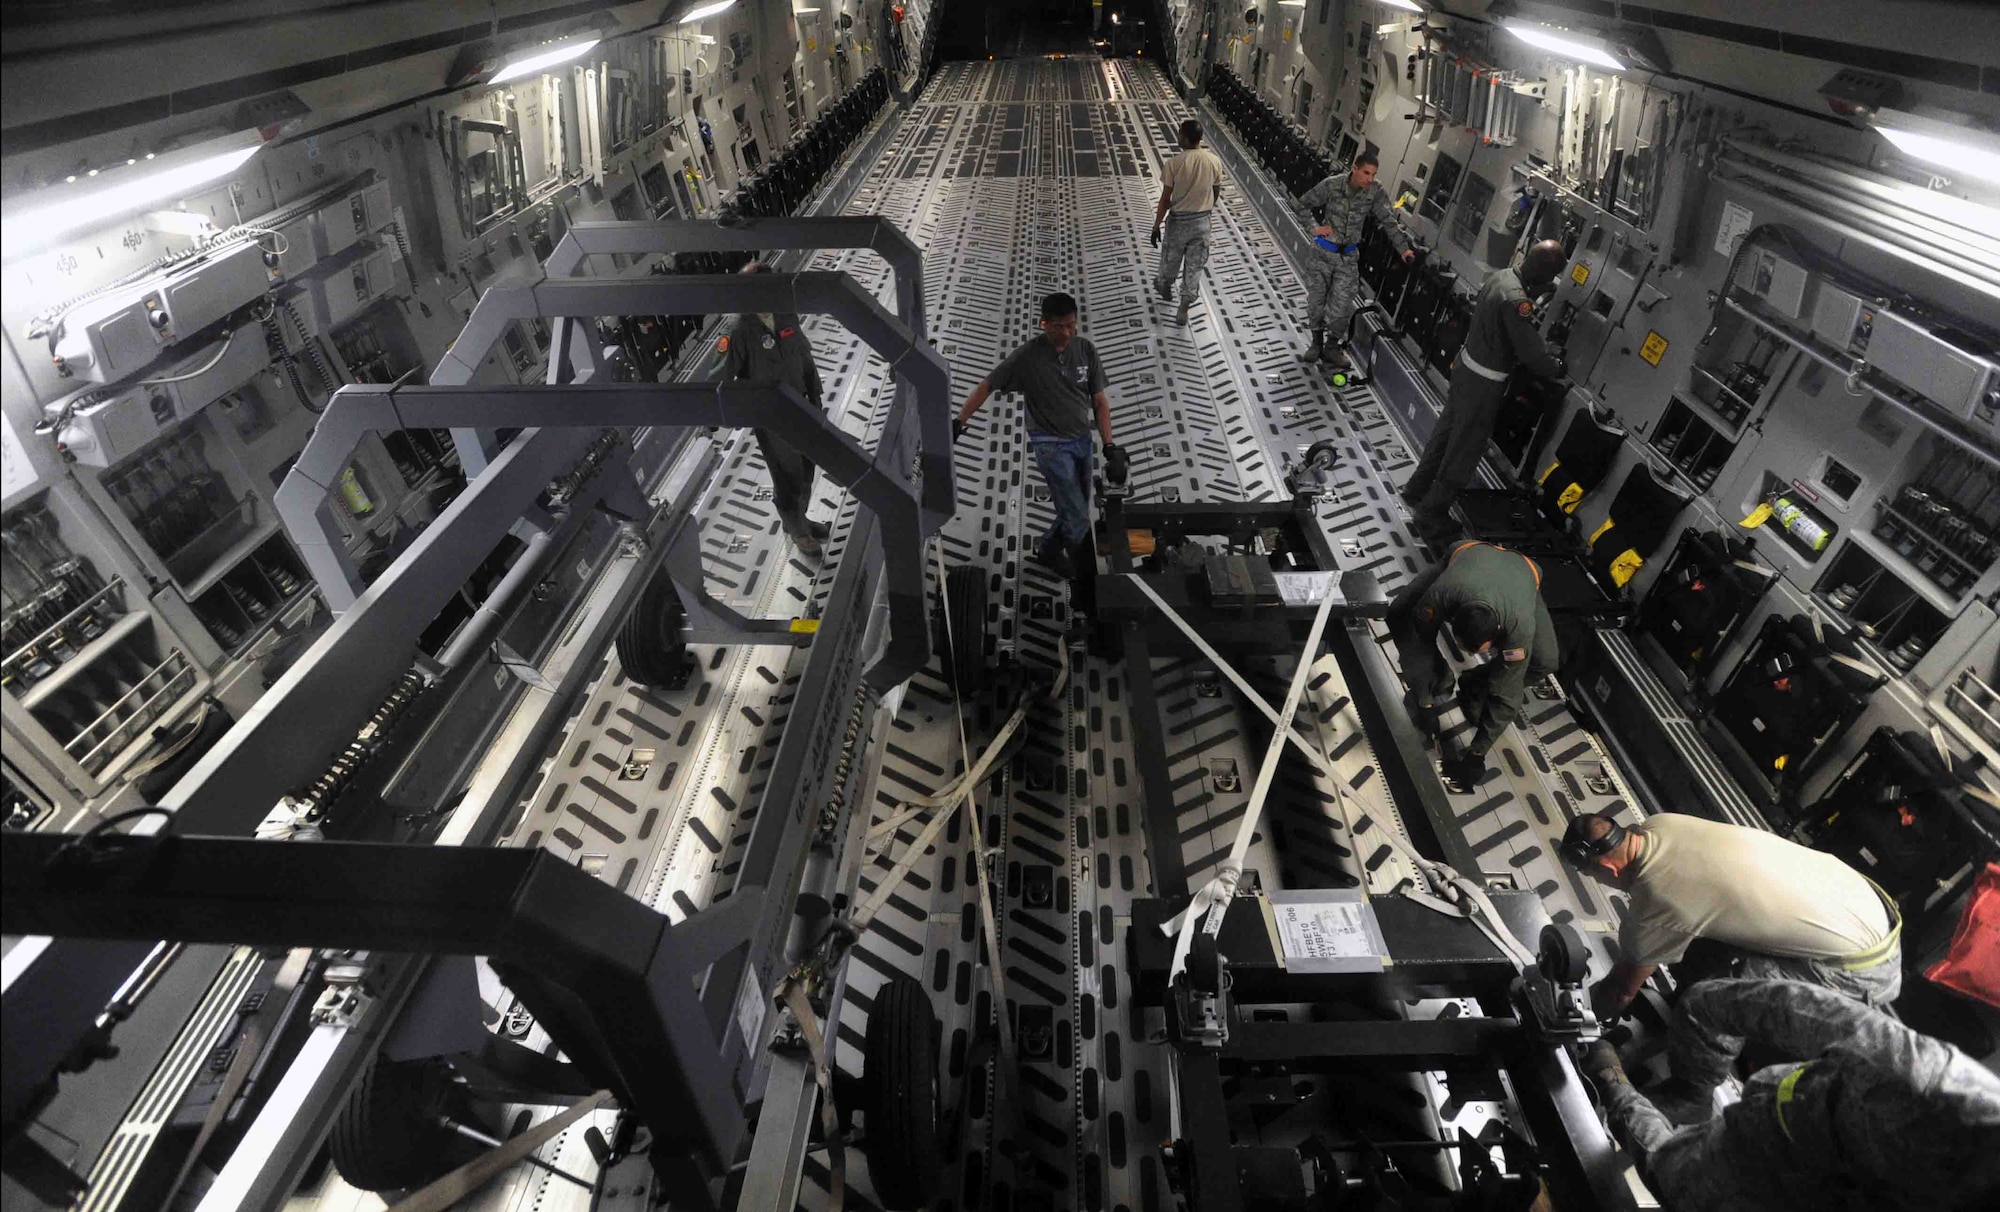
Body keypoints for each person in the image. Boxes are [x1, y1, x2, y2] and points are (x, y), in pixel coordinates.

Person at [1580, 979, 2000, 1211]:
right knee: (1671, 1174)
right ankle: (1613, 1084)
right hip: (1774, 1135)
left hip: (1814, 1185)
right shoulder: (1933, 1084)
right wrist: (1700, 1021)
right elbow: (1795, 1010)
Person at [1560, 810, 1903, 1023]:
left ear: (1609, 868)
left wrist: (1582, 1016)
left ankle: (1691, 1093)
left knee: (1712, 1002)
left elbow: (1621, 990)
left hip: (1861, 967)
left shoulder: (1656, 901)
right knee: (1703, 933)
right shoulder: (1660, 823)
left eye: (1594, 876)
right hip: (1865, 898)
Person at [1402, 240, 1569, 544]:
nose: (1550, 281)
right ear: (1542, 270)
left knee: (1445, 435)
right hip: (1483, 383)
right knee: (1465, 448)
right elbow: (1532, 355)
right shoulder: (1517, 301)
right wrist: (1557, 365)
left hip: (1466, 368)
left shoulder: (1500, 277)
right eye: (1551, 274)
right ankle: (1432, 513)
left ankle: (1416, 489)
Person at [954, 292, 1120, 579]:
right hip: (1050, 445)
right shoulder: (1028, 356)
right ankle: (1087, 586)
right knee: (1078, 518)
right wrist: (959, 421)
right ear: (1043, 324)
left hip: (1081, 439)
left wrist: (1109, 445)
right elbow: (987, 385)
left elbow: (1099, 401)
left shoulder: (1085, 350)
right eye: (1058, 327)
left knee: (1077, 504)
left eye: (1071, 325)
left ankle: (1047, 549)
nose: (1066, 333)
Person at [1386, 539, 1555, 788]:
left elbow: (1508, 696)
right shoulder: (1440, 596)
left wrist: (1477, 753)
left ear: (1497, 636)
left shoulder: (1518, 630)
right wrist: (1424, 698)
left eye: (1476, 650)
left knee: (1545, 661)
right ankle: (1440, 677)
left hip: (1523, 573)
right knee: (1399, 613)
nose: (1468, 652)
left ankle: (1475, 685)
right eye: (1463, 645)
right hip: (1468, 554)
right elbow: (1419, 642)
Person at [721, 261, 831, 557]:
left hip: (802, 404)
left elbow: (804, 356)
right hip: (772, 416)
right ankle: (797, 530)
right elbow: (721, 375)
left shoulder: (785, 314)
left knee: (807, 466)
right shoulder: (739, 328)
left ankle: (799, 518)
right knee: (788, 472)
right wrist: (729, 412)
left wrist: (816, 395)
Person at [1294, 150, 1414, 369]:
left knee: (1342, 306)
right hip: (1322, 254)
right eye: (1366, 173)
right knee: (1316, 302)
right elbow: (1303, 204)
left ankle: (1331, 347)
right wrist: (1314, 228)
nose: (1370, 178)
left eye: (1374, 174)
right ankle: (1316, 343)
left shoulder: (1374, 191)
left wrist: (1404, 249)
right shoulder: (1332, 185)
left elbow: (1388, 220)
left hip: (1348, 257)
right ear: (1355, 169)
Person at [1149, 118, 1226, 327]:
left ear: (1184, 137)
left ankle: (1164, 285)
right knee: (1195, 266)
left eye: (1179, 133)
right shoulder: (1214, 161)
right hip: (1202, 222)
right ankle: (1183, 308)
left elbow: (1165, 199)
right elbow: (1216, 190)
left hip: (1178, 223)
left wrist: (1156, 226)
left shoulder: (1174, 164)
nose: (1178, 136)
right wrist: (1206, 209)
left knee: (1170, 259)